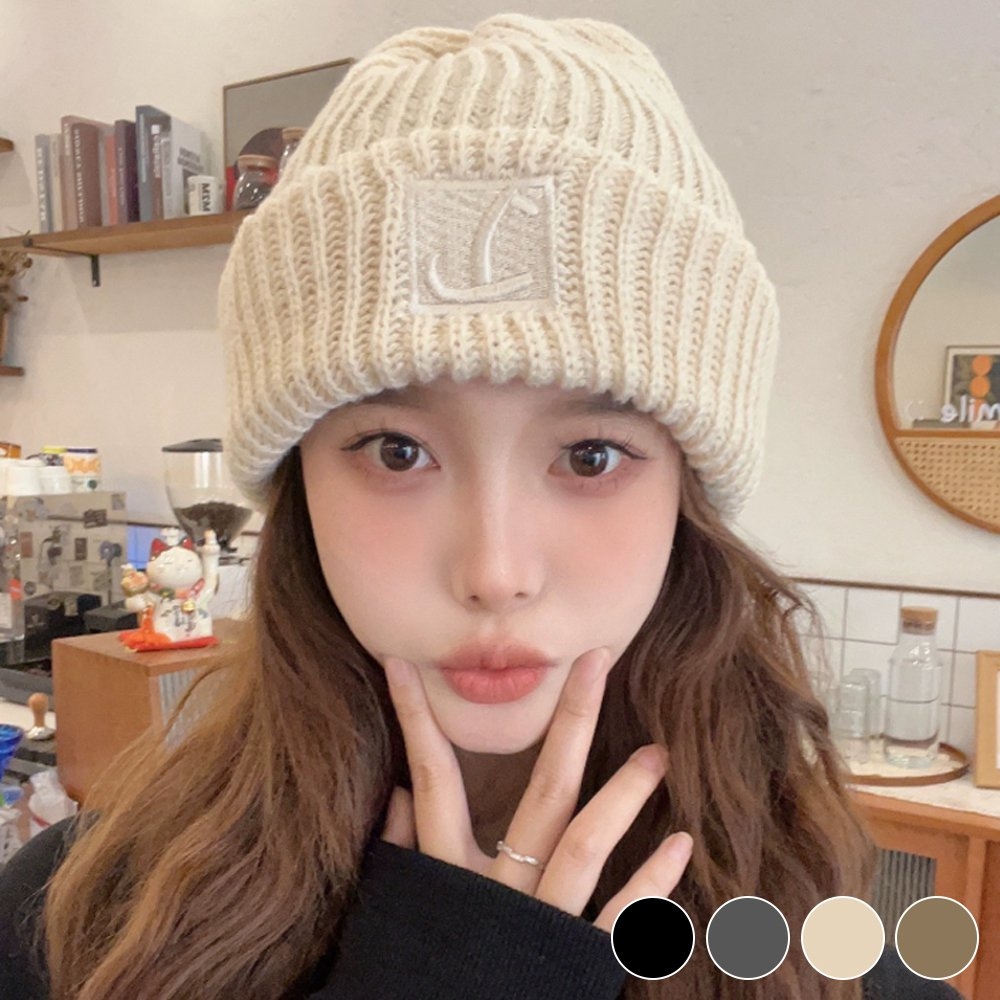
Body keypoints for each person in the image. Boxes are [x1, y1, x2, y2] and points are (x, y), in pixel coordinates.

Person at [0, 13, 969, 1000]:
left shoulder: (821, 962)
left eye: (590, 455)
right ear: (299, 484)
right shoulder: (80, 923)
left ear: (688, 490)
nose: (495, 572)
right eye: (397, 450)